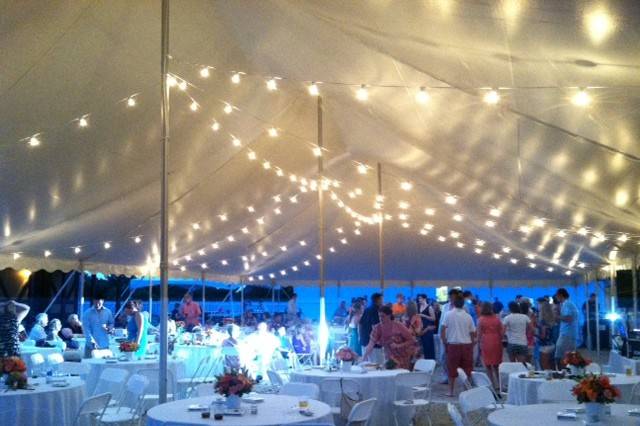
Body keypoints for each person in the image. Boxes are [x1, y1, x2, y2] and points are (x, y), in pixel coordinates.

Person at [441, 294, 476, 397]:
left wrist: (444, 341)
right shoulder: (468, 316)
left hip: (452, 345)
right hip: (466, 345)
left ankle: (450, 391)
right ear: (463, 304)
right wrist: (472, 343)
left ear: (453, 303)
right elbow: (473, 332)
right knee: (467, 369)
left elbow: (442, 329)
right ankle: (466, 390)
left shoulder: (448, 314)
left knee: (451, 369)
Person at [363, 306, 416, 370]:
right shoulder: (377, 328)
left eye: (383, 316)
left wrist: (398, 345)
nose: (380, 318)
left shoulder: (398, 325)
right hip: (389, 356)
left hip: (403, 355)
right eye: (379, 316)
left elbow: (411, 340)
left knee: (401, 376)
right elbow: (370, 344)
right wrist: (364, 357)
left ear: (389, 316)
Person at [477, 302, 503, 390]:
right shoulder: (497, 318)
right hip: (496, 341)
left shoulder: (481, 319)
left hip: (486, 341)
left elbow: (479, 334)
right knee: (497, 365)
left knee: (488, 365)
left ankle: (491, 385)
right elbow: (502, 332)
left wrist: (477, 343)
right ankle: (499, 384)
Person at [555, 288, 579, 368]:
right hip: (567, 334)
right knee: (563, 355)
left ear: (560, 295)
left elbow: (569, 318)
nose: (556, 297)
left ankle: (564, 373)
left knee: (563, 356)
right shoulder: (567, 304)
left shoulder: (567, 304)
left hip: (567, 334)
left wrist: (556, 317)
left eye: (557, 295)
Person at [359, 293, 383, 361]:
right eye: (381, 299)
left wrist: (360, 337)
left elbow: (360, 323)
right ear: (378, 300)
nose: (382, 301)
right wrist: (379, 340)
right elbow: (375, 326)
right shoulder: (375, 310)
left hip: (364, 339)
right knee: (375, 364)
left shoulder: (367, 309)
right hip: (372, 342)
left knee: (366, 363)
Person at [537, 297, 556, 370]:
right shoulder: (552, 319)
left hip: (544, 345)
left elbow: (543, 336)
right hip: (551, 344)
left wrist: (535, 335)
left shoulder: (543, 321)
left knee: (544, 366)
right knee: (551, 364)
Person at [417, 294, 436, 359]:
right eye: (419, 299)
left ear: (424, 299)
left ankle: (431, 360)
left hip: (428, 328)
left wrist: (424, 316)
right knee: (422, 346)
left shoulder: (429, 307)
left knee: (429, 346)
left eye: (420, 298)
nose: (419, 300)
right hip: (420, 328)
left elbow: (433, 318)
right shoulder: (418, 307)